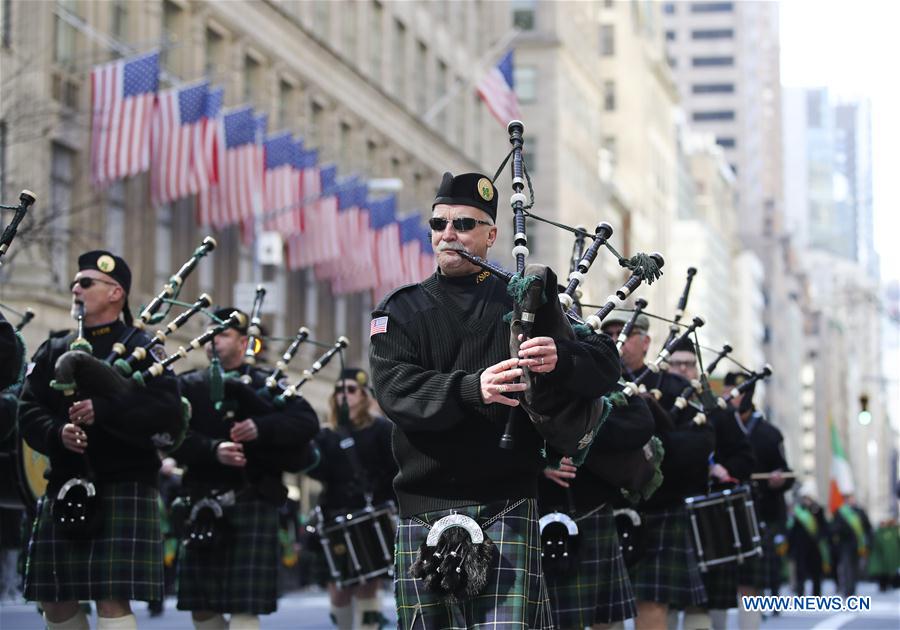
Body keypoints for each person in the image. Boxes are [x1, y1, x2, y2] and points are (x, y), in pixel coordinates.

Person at [369, 171, 621, 628]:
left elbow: (606, 364)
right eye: (439, 223)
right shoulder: (400, 311)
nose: (449, 233)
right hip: (424, 505)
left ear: (491, 235)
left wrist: (560, 356)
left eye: (464, 224)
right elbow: (394, 391)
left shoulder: (525, 300)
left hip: (506, 501)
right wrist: (473, 388)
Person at [19, 251, 183, 630]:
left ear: (115, 293)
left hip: (122, 482)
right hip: (65, 480)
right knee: (55, 600)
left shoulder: (144, 349)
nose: (75, 287)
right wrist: (57, 433)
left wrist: (104, 411)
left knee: (111, 598)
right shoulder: (54, 347)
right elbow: (28, 410)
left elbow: (167, 414)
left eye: (86, 282)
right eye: (75, 281)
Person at [172, 308, 319, 630]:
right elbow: (171, 436)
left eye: (223, 334)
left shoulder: (268, 383)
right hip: (201, 501)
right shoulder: (188, 385)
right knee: (200, 608)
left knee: (243, 608)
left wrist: (261, 427)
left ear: (244, 343)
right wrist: (212, 450)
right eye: (210, 334)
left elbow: (306, 422)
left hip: (251, 501)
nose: (213, 341)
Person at [600, 314, 713, 630]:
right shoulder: (593, 384)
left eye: (624, 332)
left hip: (659, 507)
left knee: (650, 602)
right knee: (602, 607)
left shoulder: (676, 387)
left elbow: (703, 440)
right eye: (607, 333)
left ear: (646, 341)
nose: (615, 339)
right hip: (604, 505)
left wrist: (654, 454)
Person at [539, 391, 655, 630]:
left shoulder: (596, 376)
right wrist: (539, 463)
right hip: (540, 516)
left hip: (593, 509)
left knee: (607, 619)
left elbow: (637, 428)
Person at [307, 368, 398, 630]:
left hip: (372, 516)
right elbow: (318, 472)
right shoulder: (326, 434)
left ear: (364, 395)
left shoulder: (382, 429)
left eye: (350, 390)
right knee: (338, 591)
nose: (343, 396)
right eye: (339, 390)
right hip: (335, 516)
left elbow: (395, 471)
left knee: (367, 585)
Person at [788, 480, 830, 596]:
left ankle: (816, 595)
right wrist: (790, 546)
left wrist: (820, 538)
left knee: (816, 572)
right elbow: (793, 530)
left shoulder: (818, 510)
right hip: (801, 546)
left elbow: (824, 527)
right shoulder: (798, 511)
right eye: (805, 498)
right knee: (800, 571)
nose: (806, 500)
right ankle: (800, 594)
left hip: (815, 545)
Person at [832, 494, 873, 597]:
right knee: (846, 568)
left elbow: (867, 528)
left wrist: (868, 542)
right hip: (845, 545)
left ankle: (852, 590)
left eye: (853, 498)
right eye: (850, 499)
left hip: (859, 546)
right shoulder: (841, 513)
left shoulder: (860, 512)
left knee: (855, 569)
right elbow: (835, 528)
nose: (852, 501)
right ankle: (847, 591)